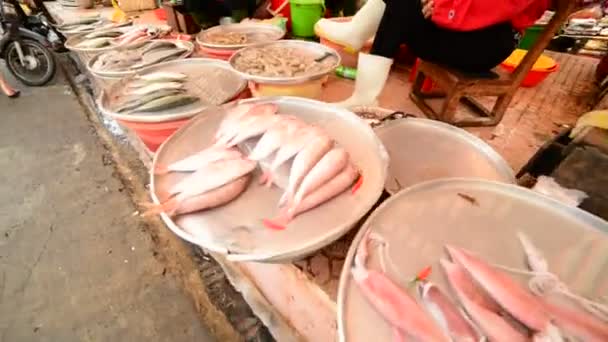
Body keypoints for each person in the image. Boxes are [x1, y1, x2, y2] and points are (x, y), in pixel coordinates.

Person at [315, 0, 551, 108]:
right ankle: (357, 34)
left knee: (402, 8)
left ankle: (365, 91)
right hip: (468, 32)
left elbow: (488, 8)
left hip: (483, 46)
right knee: (402, 8)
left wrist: (440, 7)